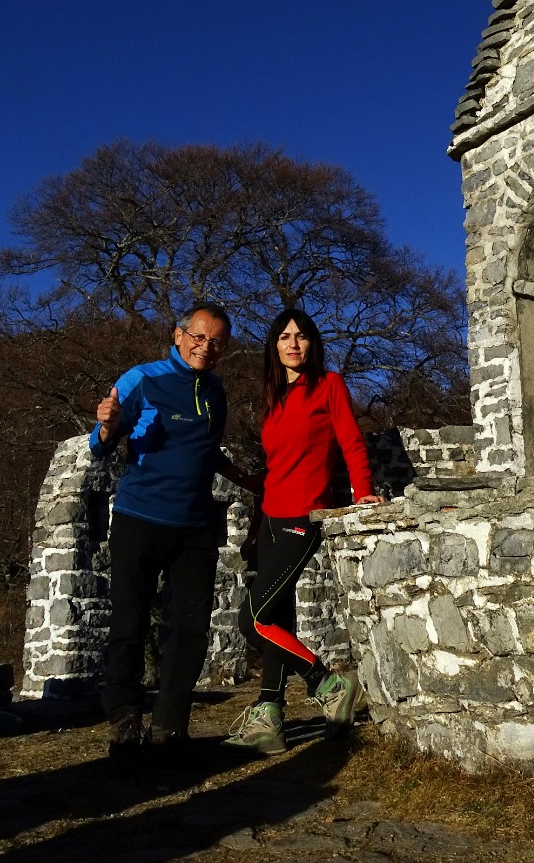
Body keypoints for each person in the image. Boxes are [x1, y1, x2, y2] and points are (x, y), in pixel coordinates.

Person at [91, 303, 259, 759]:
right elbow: (100, 443)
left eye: (218, 341)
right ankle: (125, 722)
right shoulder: (142, 379)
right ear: (178, 335)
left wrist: (248, 479)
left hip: (196, 526)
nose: (207, 347)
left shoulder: (217, 391)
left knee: (190, 629)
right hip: (139, 519)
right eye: (199, 337)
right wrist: (107, 427)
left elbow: (207, 452)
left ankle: (170, 727)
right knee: (129, 621)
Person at [223, 308, 383, 754]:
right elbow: (277, 469)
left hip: (304, 516)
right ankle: (269, 717)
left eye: (302, 337)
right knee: (277, 618)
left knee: (253, 619)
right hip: (271, 517)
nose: (293, 343)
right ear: (274, 346)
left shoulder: (328, 385)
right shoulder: (271, 397)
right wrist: (233, 473)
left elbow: (351, 440)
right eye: (284, 337)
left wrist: (363, 489)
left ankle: (328, 683)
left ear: (312, 344)